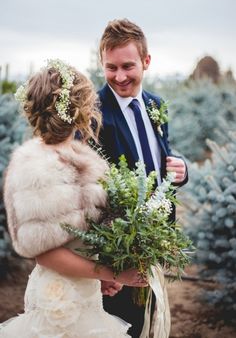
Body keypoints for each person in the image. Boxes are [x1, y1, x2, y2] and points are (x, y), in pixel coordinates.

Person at [0, 59, 148, 338]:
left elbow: (79, 238)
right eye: (90, 102)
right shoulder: (35, 168)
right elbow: (45, 253)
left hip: (86, 294)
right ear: (78, 109)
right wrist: (112, 273)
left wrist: (102, 278)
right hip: (57, 301)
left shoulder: (84, 158)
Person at [97, 19, 188, 338]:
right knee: (117, 328)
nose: (119, 77)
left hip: (153, 243)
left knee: (144, 322)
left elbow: (161, 155)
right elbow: (85, 192)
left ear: (146, 61)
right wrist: (100, 268)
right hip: (115, 252)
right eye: (111, 68)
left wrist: (181, 168)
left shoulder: (155, 105)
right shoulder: (93, 112)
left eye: (127, 66)